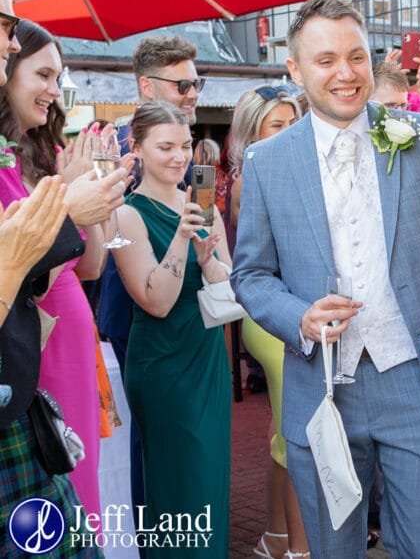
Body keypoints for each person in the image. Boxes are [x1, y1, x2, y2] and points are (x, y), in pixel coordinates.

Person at [231, 0, 420, 558]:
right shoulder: (267, 163)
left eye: (355, 56)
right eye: (325, 60)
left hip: (418, 380)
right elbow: (251, 275)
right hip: (323, 389)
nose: (345, 74)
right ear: (296, 69)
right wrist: (298, 316)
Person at [0, 20, 111, 519]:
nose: (53, 90)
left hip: (70, 340)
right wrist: (67, 203)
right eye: (42, 74)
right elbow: (22, 269)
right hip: (33, 349)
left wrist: (97, 201)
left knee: (79, 478)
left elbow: (89, 266)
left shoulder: (45, 156)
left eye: (58, 77)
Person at [111, 102, 232, 556]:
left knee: (209, 479)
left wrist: (210, 262)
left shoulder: (204, 207)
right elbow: (156, 302)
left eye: (184, 145)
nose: (180, 157)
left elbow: (227, 285)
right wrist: (182, 237)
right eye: (165, 147)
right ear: (137, 147)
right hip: (162, 366)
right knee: (177, 484)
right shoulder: (125, 216)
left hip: (206, 359)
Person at [97, 34, 204, 520]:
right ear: (146, 86)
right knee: (151, 444)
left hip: (186, 319)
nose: (193, 92)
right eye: (182, 84)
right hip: (138, 313)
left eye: (197, 83)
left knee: (179, 447)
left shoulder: (178, 149)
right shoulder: (122, 152)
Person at [228, 86, 307, 559]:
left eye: (293, 123)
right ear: (252, 133)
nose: (289, 133)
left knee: (284, 433)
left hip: (292, 311)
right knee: (298, 436)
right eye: (277, 125)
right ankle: (300, 548)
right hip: (274, 317)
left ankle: (276, 537)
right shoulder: (252, 178)